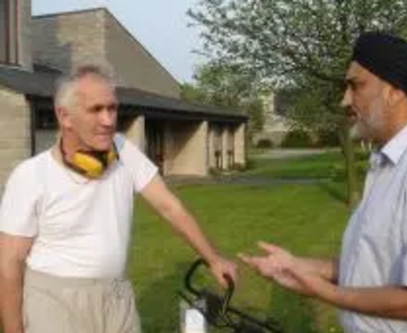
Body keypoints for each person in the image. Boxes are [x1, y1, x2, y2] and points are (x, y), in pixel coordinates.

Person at [240, 32, 407, 332]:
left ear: (394, 91)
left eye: (356, 85)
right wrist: (297, 267)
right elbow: (372, 267)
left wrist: (325, 292)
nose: (345, 99)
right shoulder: (387, 163)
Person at [0, 64, 236, 333]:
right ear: (64, 116)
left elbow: (169, 206)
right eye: (96, 110)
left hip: (117, 296)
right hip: (55, 302)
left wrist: (214, 259)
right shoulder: (31, 176)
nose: (108, 120)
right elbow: (9, 264)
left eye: (112, 108)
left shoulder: (125, 151)